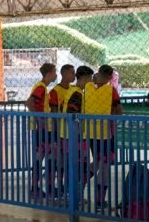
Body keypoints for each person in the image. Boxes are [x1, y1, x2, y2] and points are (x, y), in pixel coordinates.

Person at [82, 64, 122, 210]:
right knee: (105, 165)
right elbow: (119, 110)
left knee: (98, 162)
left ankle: (81, 182)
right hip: (106, 133)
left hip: (91, 132)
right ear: (111, 77)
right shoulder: (110, 90)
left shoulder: (88, 88)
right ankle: (100, 199)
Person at [59, 66, 94, 197]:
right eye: (90, 79)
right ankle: (73, 194)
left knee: (71, 166)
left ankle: (70, 193)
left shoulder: (71, 91)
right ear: (85, 78)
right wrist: (79, 134)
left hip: (67, 135)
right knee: (77, 167)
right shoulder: (77, 94)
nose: (91, 82)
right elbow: (73, 115)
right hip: (74, 137)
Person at [25, 62, 57, 200]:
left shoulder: (43, 87)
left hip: (45, 128)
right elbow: (30, 102)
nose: (56, 75)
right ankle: (34, 188)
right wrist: (39, 120)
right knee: (40, 158)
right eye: (55, 72)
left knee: (48, 157)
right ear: (50, 73)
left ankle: (44, 186)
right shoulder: (41, 87)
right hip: (42, 129)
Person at [48, 64, 75, 198]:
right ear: (63, 74)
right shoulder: (55, 91)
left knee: (67, 161)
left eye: (74, 72)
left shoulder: (73, 90)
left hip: (69, 132)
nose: (74, 75)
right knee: (57, 160)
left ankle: (64, 186)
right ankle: (53, 186)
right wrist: (56, 134)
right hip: (59, 132)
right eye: (71, 73)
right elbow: (54, 115)